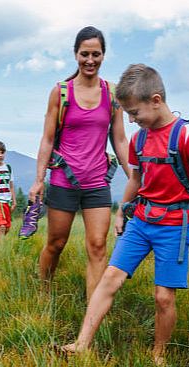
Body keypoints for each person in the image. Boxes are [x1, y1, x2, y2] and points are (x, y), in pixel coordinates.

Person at [60, 63, 189, 366]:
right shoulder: (139, 140)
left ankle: (158, 356)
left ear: (156, 100)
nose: (133, 121)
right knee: (109, 278)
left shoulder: (186, 135)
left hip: (174, 226)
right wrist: (123, 212)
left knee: (163, 297)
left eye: (135, 113)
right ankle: (82, 344)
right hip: (141, 222)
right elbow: (136, 180)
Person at [28, 26, 130, 301]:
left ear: (103, 56)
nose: (90, 60)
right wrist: (39, 180)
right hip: (64, 180)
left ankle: (93, 309)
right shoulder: (61, 92)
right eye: (84, 54)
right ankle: (44, 290)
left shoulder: (112, 94)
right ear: (75, 55)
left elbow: (119, 140)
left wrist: (134, 176)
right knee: (56, 243)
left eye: (96, 54)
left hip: (97, 182)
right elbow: (47, 139)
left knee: (97, 246)